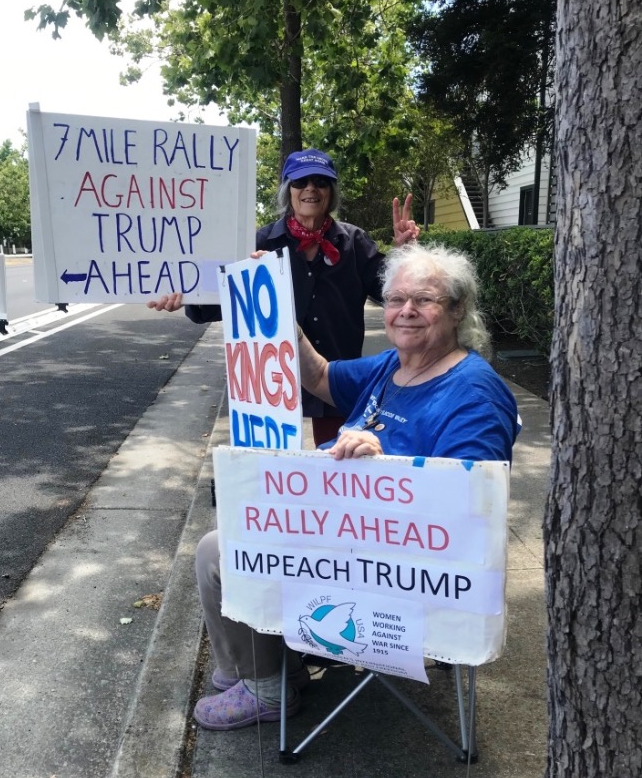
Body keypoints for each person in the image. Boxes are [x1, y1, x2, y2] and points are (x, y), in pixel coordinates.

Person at [191, 242, 520, 730]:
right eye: (394, 299)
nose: (406, 311)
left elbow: (470, 513)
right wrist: (278, 306)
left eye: (424, 300)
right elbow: (319, 375)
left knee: (221, 551)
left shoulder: (473, 393)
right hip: (350, 540)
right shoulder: (395, 366)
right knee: (240, 518)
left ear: (455, 311)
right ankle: (272, 670)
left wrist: (384, 464)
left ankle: (265, 688)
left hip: (399, 570)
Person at [148, 148, 420, 445]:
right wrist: (186, 294)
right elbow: (218, 300)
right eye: (300, 182)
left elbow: (394, 294)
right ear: (287, 191)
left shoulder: (354, 242)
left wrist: (404, 254)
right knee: (275, 477)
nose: (310, 189)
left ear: (331, 192)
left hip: (336, 379)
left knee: (337, 471)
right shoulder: (258, 243)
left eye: (321, 182)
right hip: (271, 383)